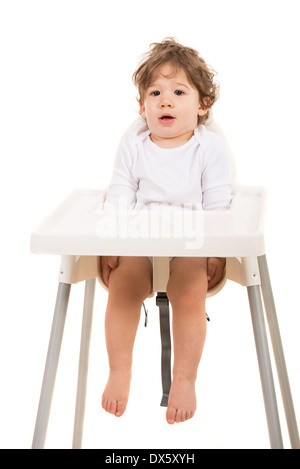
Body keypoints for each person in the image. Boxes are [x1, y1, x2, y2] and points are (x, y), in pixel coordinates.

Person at [100, 38, 232, 424]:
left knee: (189, 293)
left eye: (178, 92)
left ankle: (185, 379)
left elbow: (218, 202)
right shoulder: (135, 143)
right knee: (122, 289)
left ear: (202, 105)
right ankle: (119, 371)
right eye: (155, 93)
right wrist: (112, 242)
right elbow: (121, 191)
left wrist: (215, 251)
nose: (165, 101)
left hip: (191, 240)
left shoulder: (208, 148)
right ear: (142, 107)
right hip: (141, 239)